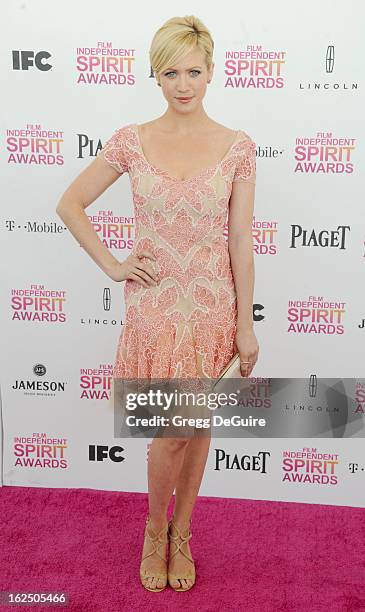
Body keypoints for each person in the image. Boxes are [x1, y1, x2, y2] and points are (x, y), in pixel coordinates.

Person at [56, 14, 259, 593]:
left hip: (213, 308)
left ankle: (183, 533)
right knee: (169, 431)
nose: (183, 84)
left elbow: (240, 240)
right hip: (155, 310)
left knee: (195, 428)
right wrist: (115, 265)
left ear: (212, 71)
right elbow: (70, 203)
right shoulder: (131, 141)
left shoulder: (238, 148)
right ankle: (153, 529)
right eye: (171, 72)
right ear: (155, 75)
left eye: (194, 70)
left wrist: (246, 322)